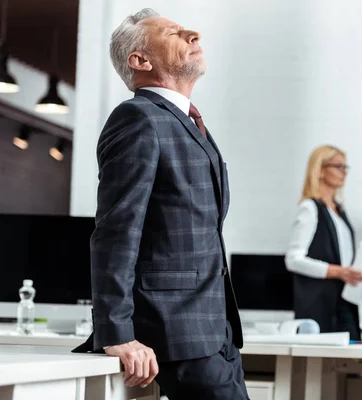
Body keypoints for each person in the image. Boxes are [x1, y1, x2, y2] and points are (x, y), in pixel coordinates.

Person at [72, 8, 248, 400]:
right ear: (140, 60)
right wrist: (116, 333)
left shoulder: (187, 122)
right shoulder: (138, 117)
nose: (193, 34)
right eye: (174, 32)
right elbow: (117, 231)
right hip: (175, 331)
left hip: (214, 331)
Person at [285, 145, 362, 341]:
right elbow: (293, 260)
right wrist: (339, 271)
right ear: (320, 170)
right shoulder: (309, 208)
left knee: (350, 361)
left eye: (346, 167)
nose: (344, 172)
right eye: (339, 166)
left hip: (343, 303)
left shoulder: (339, 209)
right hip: (319, 305)